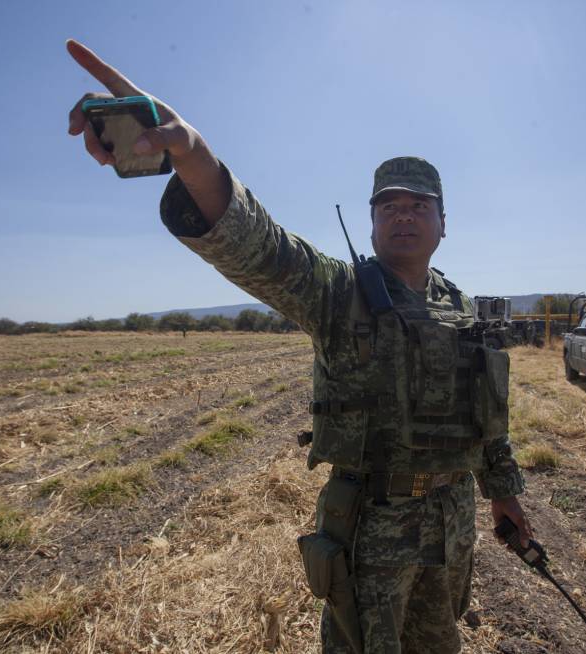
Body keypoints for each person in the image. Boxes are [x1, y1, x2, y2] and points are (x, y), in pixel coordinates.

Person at [66, 40, 532, 654]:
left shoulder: (463, 310)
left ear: (444, 224)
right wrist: (193, 155)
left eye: (420, 206)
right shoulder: (339, 293)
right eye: (389, 205)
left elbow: (488, 419)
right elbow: (257, 243)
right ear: (371, 223)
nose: (404, 216)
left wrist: (505, 496)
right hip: (370, 529)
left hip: (453, 523)